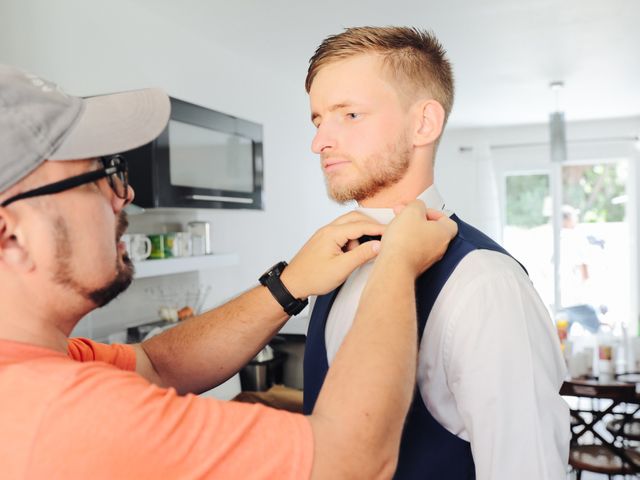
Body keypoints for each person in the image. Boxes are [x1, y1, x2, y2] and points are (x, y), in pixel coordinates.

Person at [0, 64, 458, 478]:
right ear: (10, 233)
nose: (125, 194)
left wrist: (288, 283)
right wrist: (397, 264)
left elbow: (156, 365)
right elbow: (349, 460)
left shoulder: (36, 360)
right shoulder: (55, 411)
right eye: (100, 176)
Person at [302, 27, 570, 479]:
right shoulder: (332, 265)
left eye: (349, 114)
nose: (320, 142)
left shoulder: (485, 283)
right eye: (317, 120)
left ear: (424, 123)